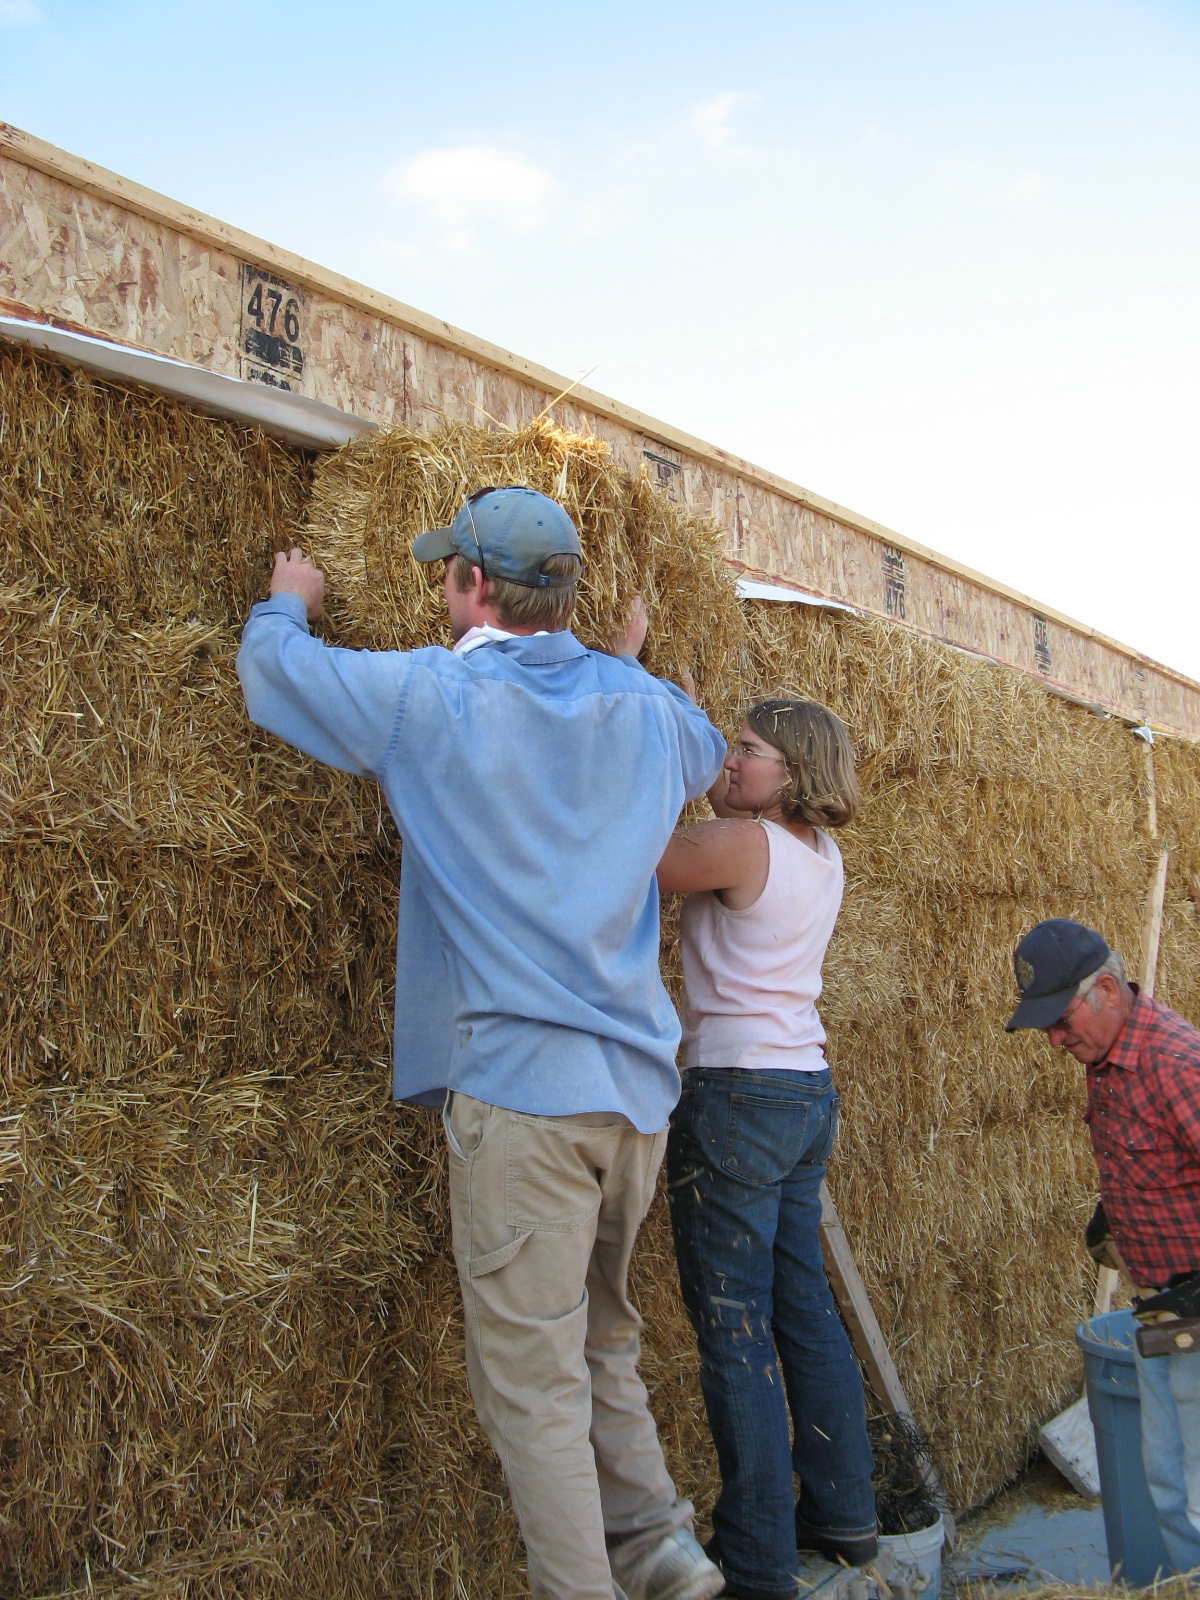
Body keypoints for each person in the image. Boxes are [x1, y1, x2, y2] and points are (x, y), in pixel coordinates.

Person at [236, 488, 729, 1600]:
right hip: (637, 1102)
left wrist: (286, 604)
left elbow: (276, 679)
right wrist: (627, 665)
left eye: (446, 574)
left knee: (533, 1386)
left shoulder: (431, 696)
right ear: (563, 597)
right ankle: (661, 1548)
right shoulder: (646, 711)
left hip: (527, 1104)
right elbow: (701, 746)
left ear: (468, 587)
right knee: (605, 1337)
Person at [655, 696, 878, 1600]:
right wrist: (710, 766)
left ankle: (756, 1559)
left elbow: (634, 854)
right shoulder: (822, 856)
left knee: (733, 1326)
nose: (731, 760)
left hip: (736, 1090)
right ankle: (844, 1511)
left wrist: (646, 743)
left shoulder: (740, 846)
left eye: (748, 751)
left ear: (794, 772)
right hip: (802, 1089)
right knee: (804, 1309)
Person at [1006, 918, 1200, 1575]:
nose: (1058, 1042)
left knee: (1199, 1501)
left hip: (1197, 1315)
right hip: (1160, 1313)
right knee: (1170, 1493)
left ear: (1109, 991)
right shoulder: (1109, 1057)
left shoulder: (1174, 1060)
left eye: (1062, 1022)